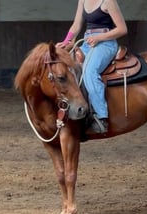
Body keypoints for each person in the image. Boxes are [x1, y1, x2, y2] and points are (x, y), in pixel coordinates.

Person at [56, 0, 127, 134]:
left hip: (106, 43)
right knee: (69, 68)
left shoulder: (108, 1)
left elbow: (122, 29)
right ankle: (76, 108)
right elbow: (76, 25)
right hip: (87, 42)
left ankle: (101, 117)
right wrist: (66, 41)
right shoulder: (82, 1)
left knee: (89, 71)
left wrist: (100, 38)